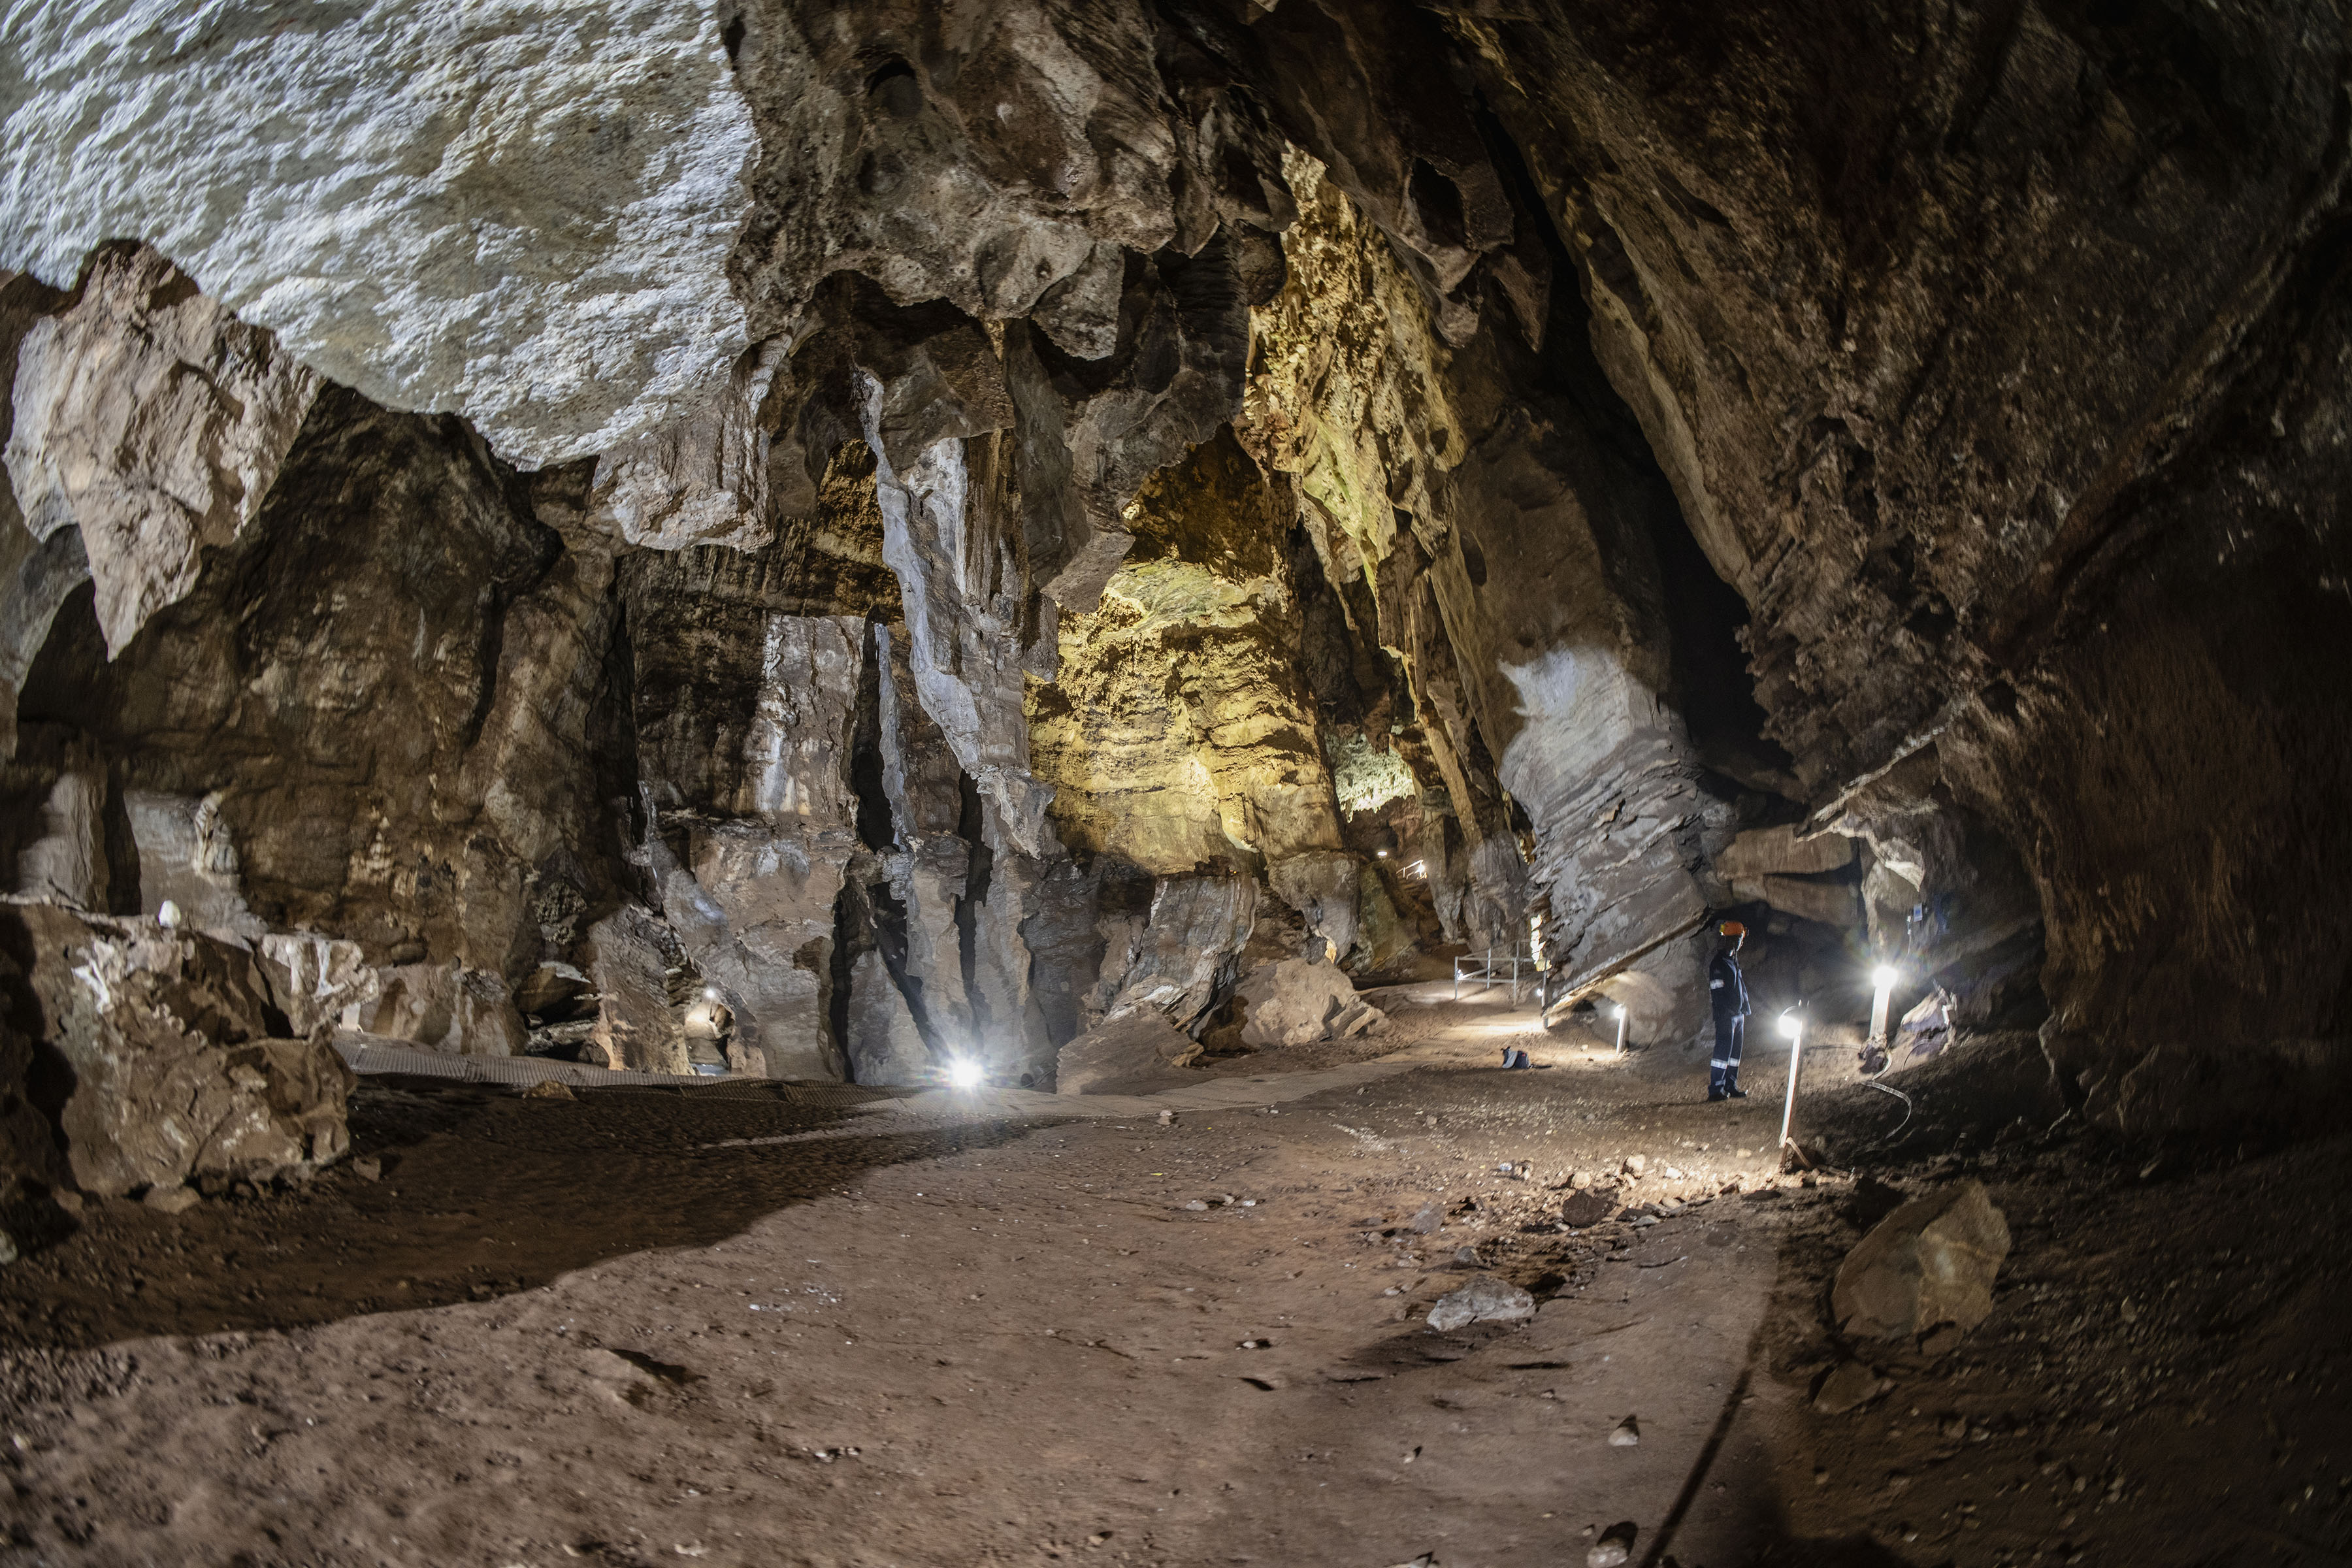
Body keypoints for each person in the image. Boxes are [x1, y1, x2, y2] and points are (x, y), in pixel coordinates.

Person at [1707, 920, 1751, 1101]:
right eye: (1740, 938)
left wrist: (1742, 1009)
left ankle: (1730, 1086)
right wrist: (1728, 1012)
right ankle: (1716, 1090)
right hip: (1727, 1016)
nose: (1742, 942)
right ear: (1732, 939)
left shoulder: (1732, 960)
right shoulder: (1719, 963)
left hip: (1738, 1014)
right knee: (1722, 1052)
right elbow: (1717, 992)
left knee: (1734, 1054)